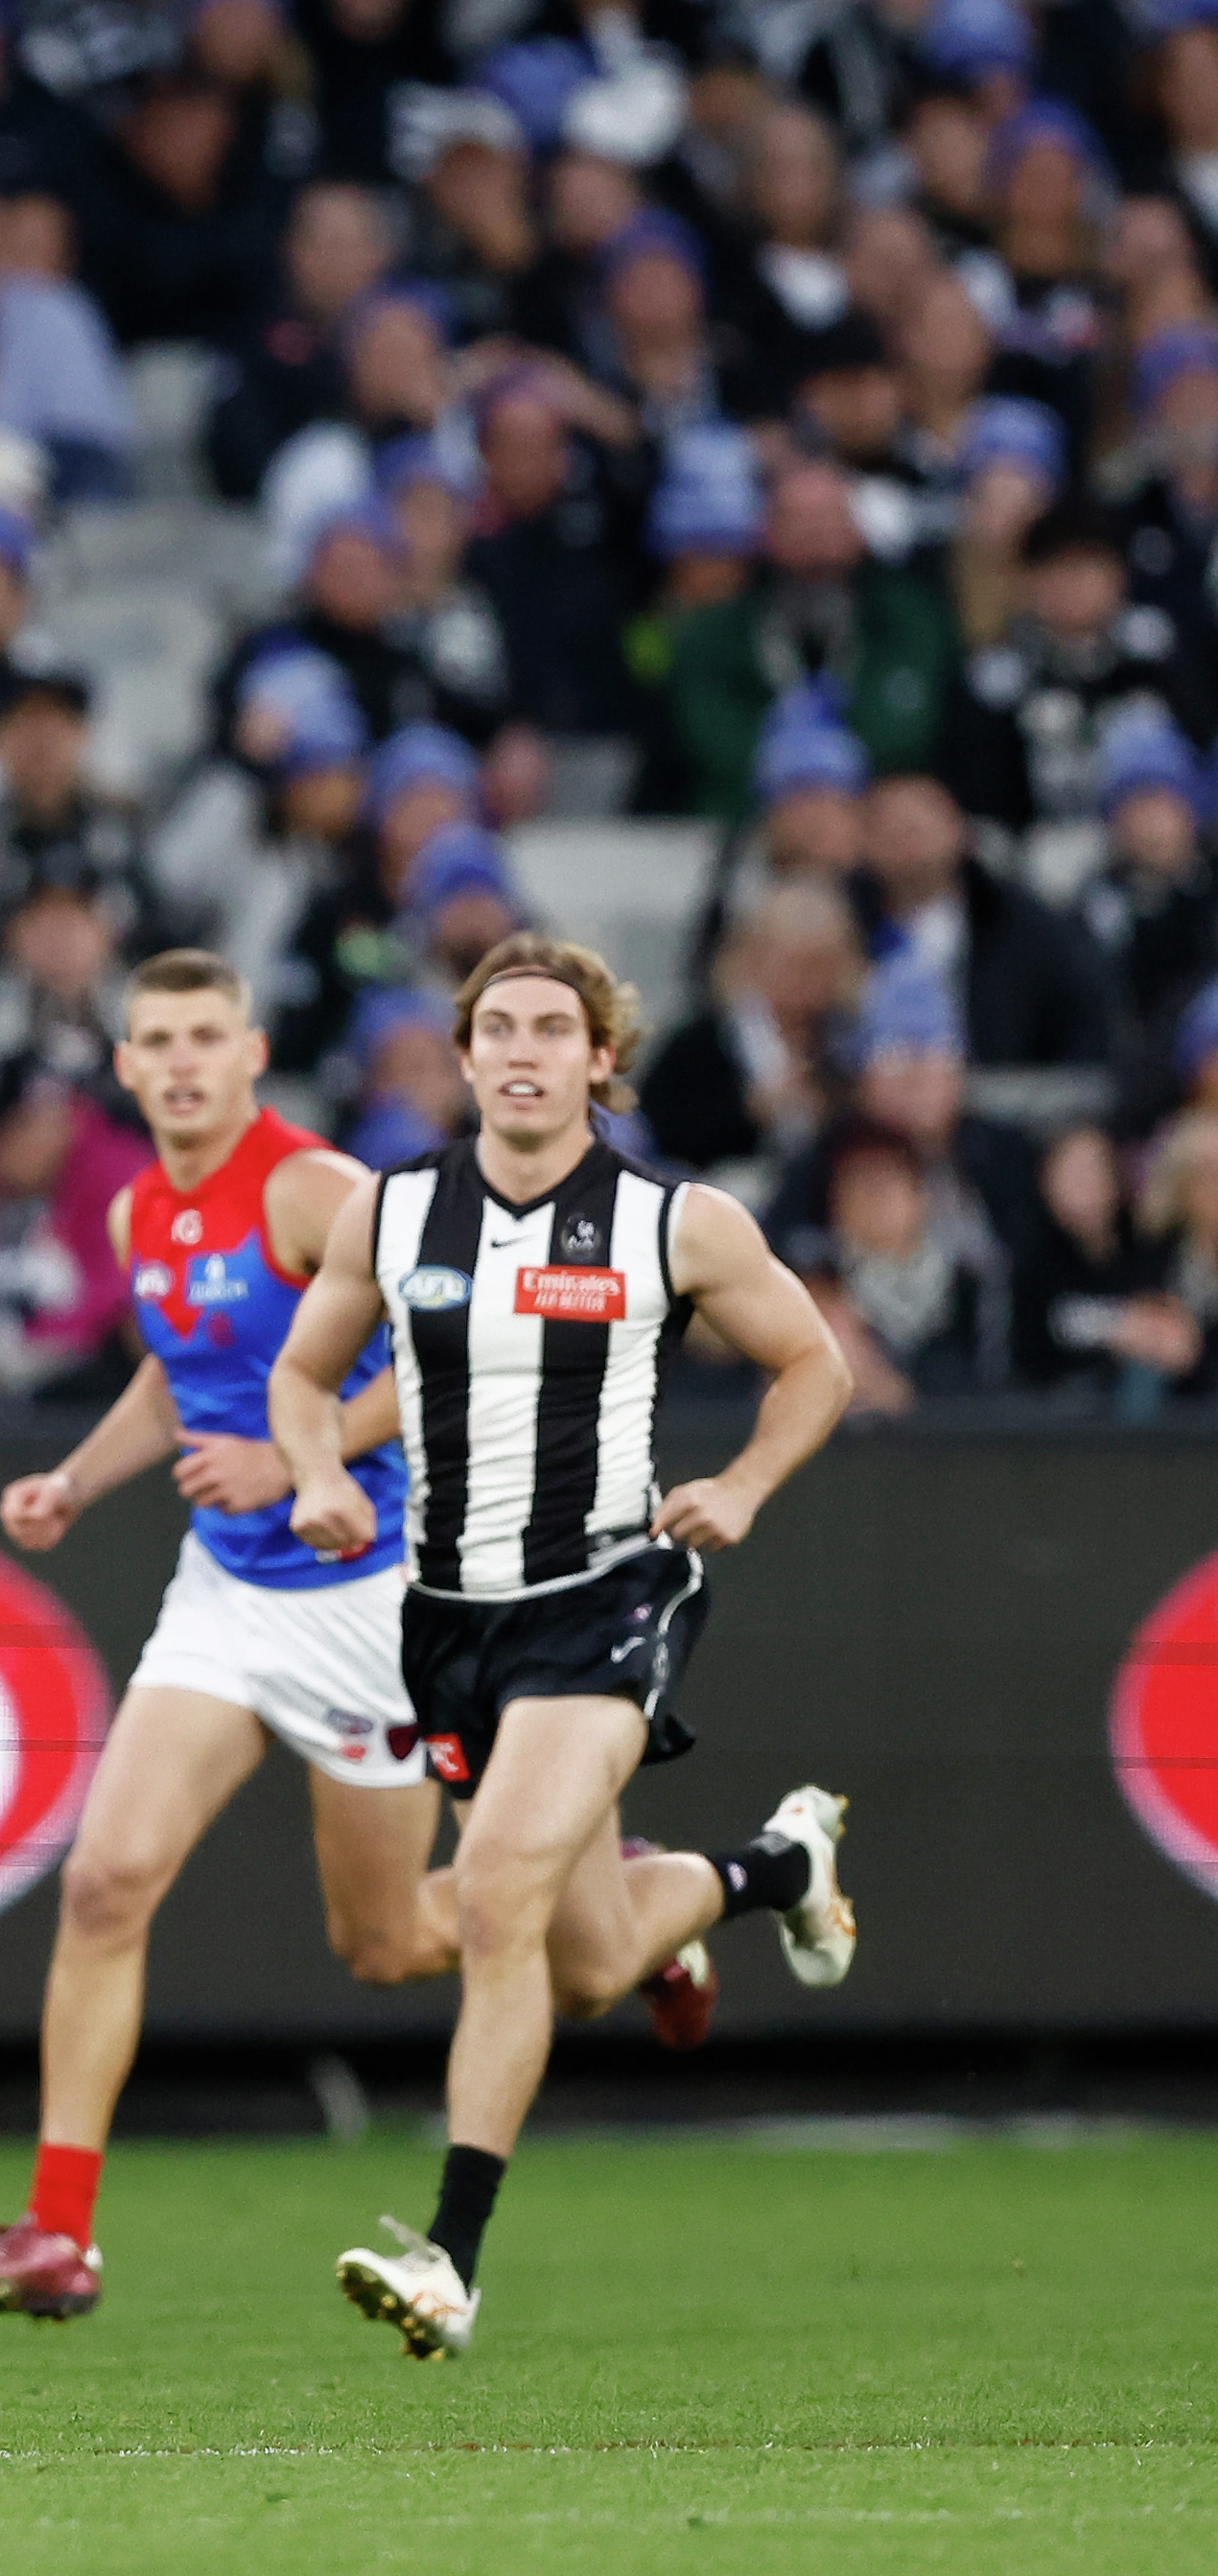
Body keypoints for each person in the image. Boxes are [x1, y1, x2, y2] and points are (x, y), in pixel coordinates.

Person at [0, 951, 711, 2323]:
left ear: (253, 1054)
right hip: (227, 1593)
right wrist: (77, 1479)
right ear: (124, 1066)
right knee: (107, 1881)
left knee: (399, 1941)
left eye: (205, 1038)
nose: (179, 1062)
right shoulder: (138, 1209)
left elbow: (454, 1351)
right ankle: (61, 2233)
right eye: (155, 1040)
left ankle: (642, 1903)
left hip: (369, 1596)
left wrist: (306, 1465)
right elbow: (181, 1379)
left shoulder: (316, 1189)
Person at [269, 934, 863, 2360]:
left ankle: (448, 2265)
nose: (524, 1051)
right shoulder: (394, 1213)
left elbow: (816, 1363)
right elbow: (301, 1374)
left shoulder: (679, 1221)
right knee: (586, 1962)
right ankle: (773, 1869)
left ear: (604, 1060)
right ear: (464, 1058)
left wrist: (743, 1487)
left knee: (489, 1898)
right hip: (449, 1621)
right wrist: (319, 1476)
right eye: (498, 1029)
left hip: (607, 1596)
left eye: (554, 1029)